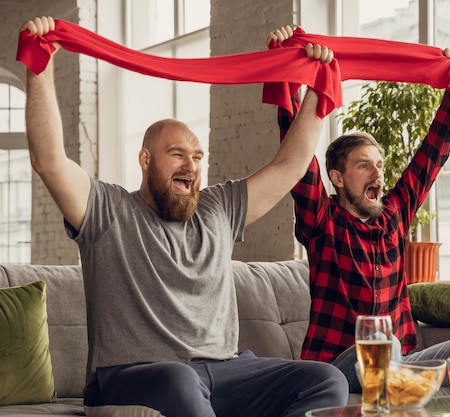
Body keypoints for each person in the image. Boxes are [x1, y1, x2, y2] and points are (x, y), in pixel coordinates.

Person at [21, 16, 348, 417]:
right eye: (176, 154)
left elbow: (289, 166)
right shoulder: (109, 211)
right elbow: (50, 161)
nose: (190, 165)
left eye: (196, 156)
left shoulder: (219, 209)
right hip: (134, 375)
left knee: (326, 379)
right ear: (145, 160)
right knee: (179, 379)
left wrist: (317, 89)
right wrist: (41, 64)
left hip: (228, 370)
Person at [267, 26, 450, 392]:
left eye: (380, 165)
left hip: (400, 362)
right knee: (380, 346)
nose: (378, 173)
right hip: (338, 369)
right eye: (363, 165)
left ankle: (411, 383)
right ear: (337, 178)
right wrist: (291, 78)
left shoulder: (395, 214)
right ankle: (419, 383)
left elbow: (433, 153)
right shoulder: (321, 220)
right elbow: (297, 156)